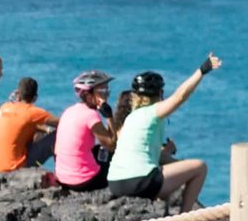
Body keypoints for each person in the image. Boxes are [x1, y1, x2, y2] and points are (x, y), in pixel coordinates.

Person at [107, 55, 223, 209]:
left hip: (115, 183)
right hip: (138, 182)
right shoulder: (152, 112)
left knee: (175, 171)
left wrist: (177, 163)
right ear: (160, 93)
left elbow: (149, 156)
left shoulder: (130, 118)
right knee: (200, 167)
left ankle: (165, 215)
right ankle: (184, 219)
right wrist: (202, 70)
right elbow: (179, 97)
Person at [53, 70, 118, 192]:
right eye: (102, 91)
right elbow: (112, 146)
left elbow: (56, 150)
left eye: (107, 90)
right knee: (112, 156)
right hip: (84, 181)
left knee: (98, 150)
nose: (106, 95)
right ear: (88, 95)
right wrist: (109, 116)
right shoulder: (91, 115)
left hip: (62, 178)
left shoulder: (69, 111)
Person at [0, 77, 58, 172]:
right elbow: (62, 123)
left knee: (30, 132)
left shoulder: (5, 106)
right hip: (13, 168)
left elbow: (22, 124)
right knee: (58, 135)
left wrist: (45, 130)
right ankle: (63, 173)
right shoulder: (33, 112)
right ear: (35, 98)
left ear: (18, 94)